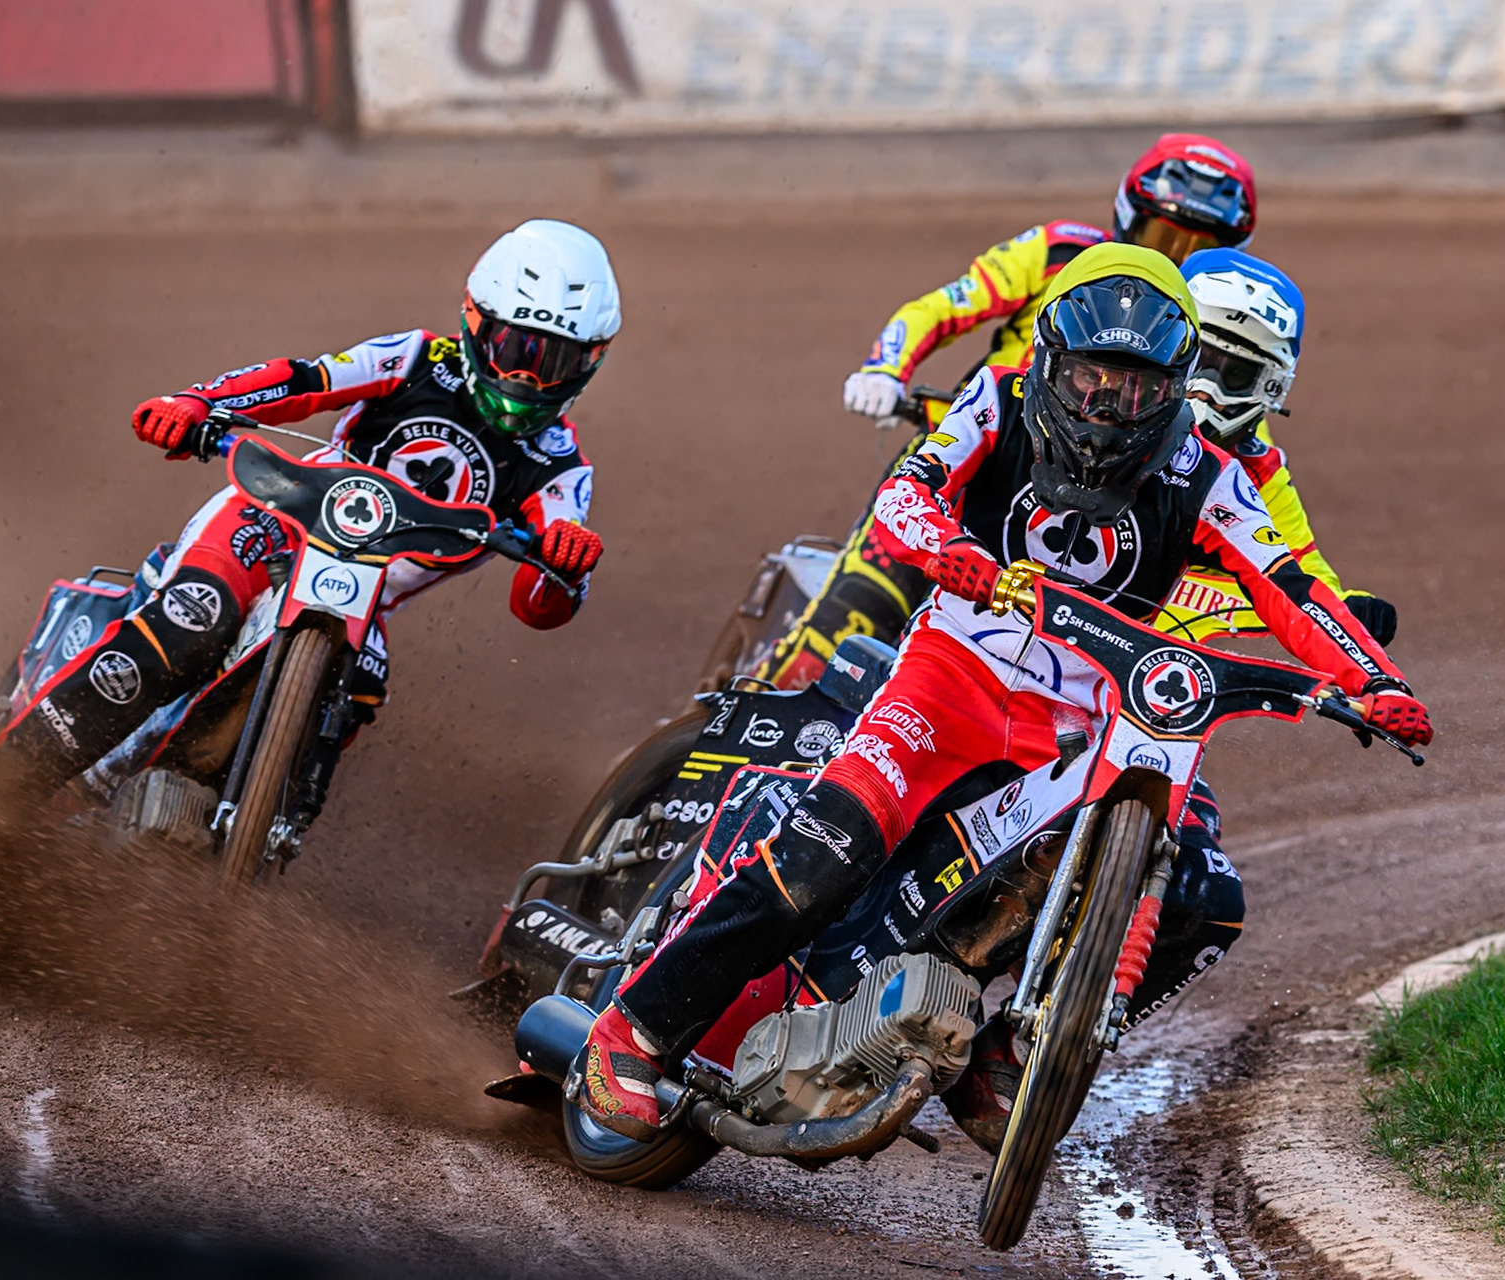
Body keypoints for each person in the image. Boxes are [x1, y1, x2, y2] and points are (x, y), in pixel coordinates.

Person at [577, 244, 1432, 1143]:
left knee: (1184, 884)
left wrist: (1372, 679)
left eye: (1140, 390)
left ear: (1173, 394)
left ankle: (1003, 1044)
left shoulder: (1216, 478)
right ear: (1054, 364)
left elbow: (1293, 586)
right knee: (836, 840)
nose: (1111, 408)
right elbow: (911, 494)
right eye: (1095, 381)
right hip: (951, 676)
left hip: (1092, 716)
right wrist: (949, 551)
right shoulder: (996, 398)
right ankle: (632, 1030)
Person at [0, 219, 618, 798]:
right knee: (194, 618)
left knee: (361, 686)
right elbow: (306, 381)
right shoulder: (418, 358)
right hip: (273, 525)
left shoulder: (561, 467)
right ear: (475, 324)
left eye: (554, 362)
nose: (527, 380)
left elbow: (543, 596)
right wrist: (197, 404)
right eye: (517, 350)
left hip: (360, 600)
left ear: (589, 363)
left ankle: (258, 819)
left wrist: (568, 562)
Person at [754, 134, 1262, 691]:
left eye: (1198, 247)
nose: (1171, 260)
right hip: (961, 477)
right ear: (1126, 217)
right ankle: (730, 728)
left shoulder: (1214, 332)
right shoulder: (1058, 254)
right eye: (1163, 235)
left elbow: (1241, 468)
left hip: (1100, 525)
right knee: (833, 636)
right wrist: (885, 369)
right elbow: (943, 307)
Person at [1158, 248, 1397, 646]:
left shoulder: (1258, 472)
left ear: (1271, 387)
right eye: (1198, 360)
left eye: (1236, 374)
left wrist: (1348, 610)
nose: (1207, 390)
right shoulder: (1090, 408)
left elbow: (1303, 576)